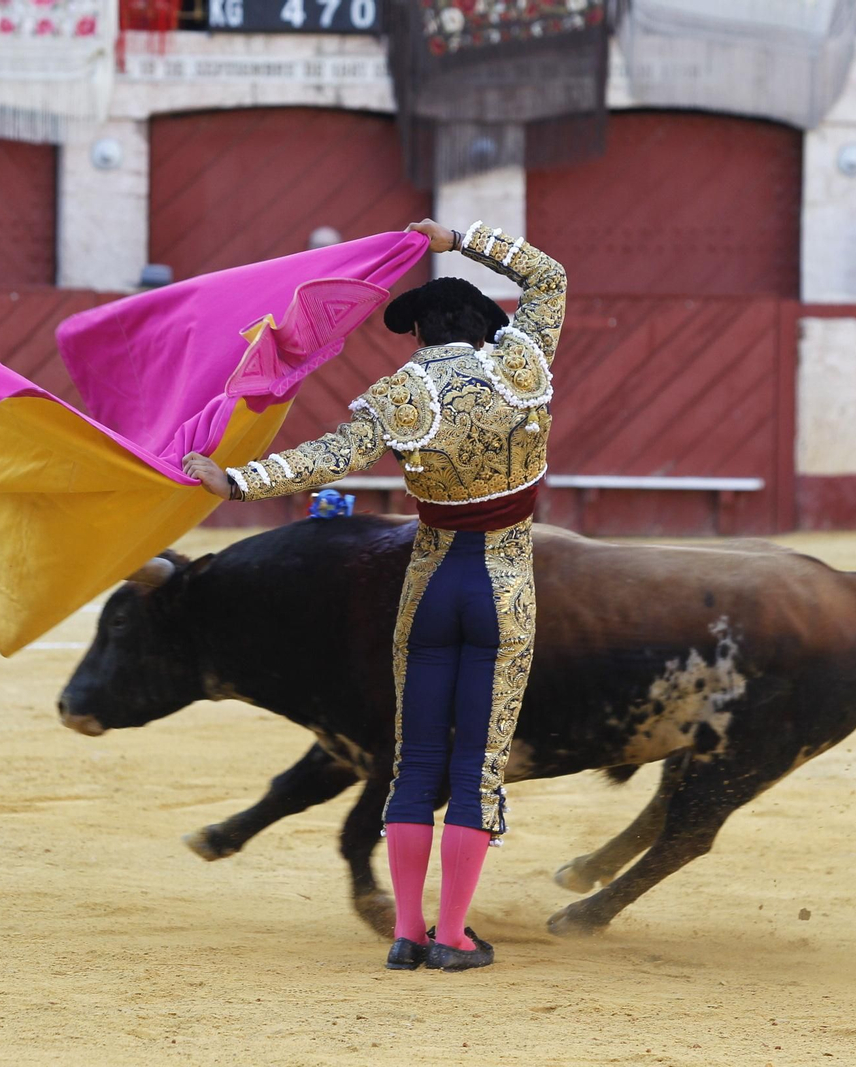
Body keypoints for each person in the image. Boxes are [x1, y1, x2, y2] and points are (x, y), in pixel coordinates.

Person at [183, 219, 564, 974]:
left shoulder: (401, 391)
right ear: (487, 326)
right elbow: (547, 276)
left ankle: (408, 930)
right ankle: (454, 935)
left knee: (414, 761)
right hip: (502, 584)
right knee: (475, 767)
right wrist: (459, 238)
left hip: (430, 585)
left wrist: (238, 481)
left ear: (417, 332)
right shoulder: (522, 361)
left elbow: (328, 456)